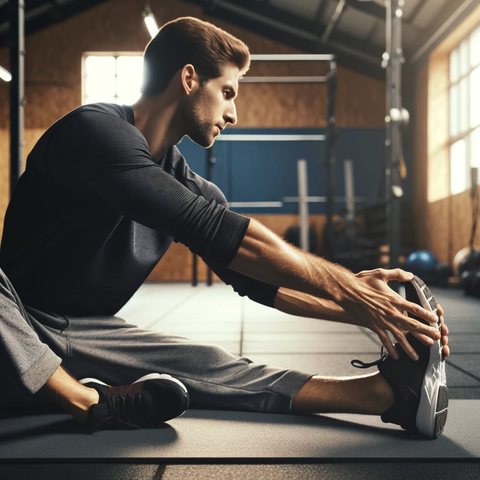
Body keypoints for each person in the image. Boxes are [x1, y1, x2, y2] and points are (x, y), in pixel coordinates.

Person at [0, 16, 449, 437]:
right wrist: (349, 287)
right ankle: (83, 399)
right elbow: (212, 228)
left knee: (205, 361)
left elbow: (258, 282)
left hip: (83, 332)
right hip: (13, 321)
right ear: (189, 78)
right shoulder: (95, 132)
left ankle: (385, 397)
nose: (233, 114)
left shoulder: (191, 185)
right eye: (229, 92)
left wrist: (375, 315)